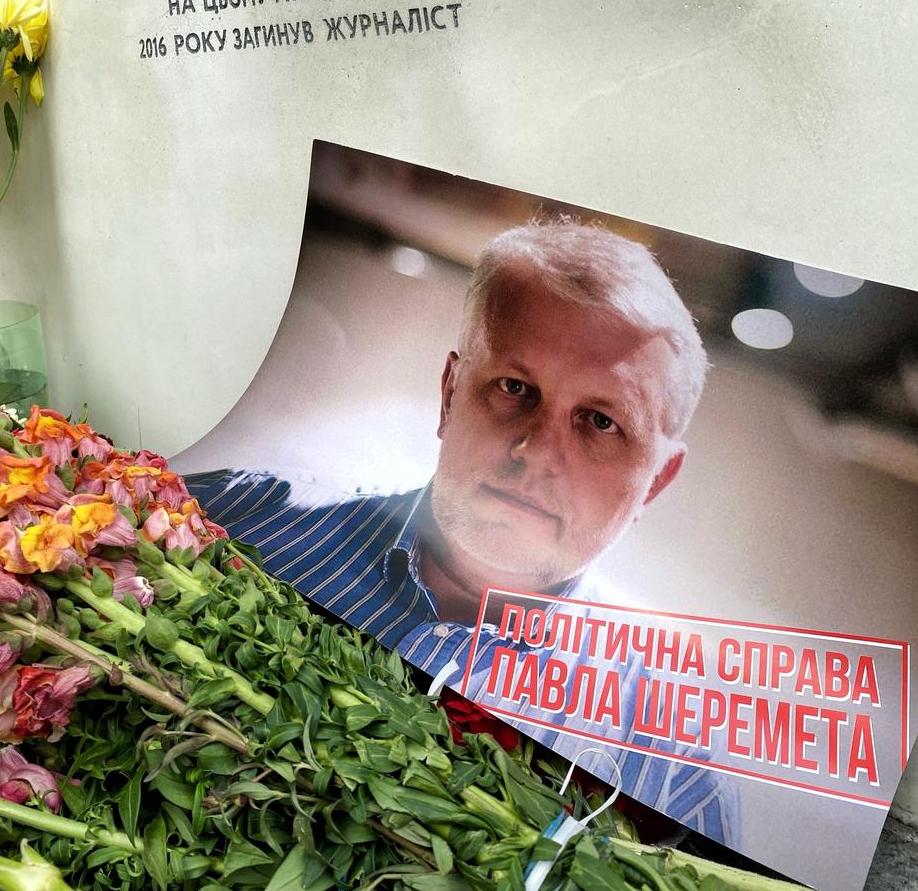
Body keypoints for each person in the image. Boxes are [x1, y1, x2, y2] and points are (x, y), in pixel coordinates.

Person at [187, 218, 734, 840]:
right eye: (514, 387)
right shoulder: (230, 515)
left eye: (601, 422)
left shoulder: (676, 770)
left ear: (656, 482)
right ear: (450, 394)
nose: (536, 450)